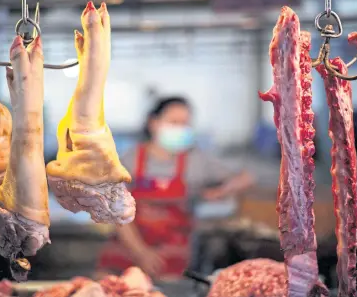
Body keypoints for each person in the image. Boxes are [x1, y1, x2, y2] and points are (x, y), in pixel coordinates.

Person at [96, 96, 255, 281]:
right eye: (173, 122)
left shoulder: (197, 160)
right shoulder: (129, 159)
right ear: (153, 123)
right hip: (126, 248)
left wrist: (220, 192)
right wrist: (141, 252)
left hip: (172, 255)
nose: (180, 128)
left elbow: (247, 177)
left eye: (185, 124)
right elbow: (118, 211)